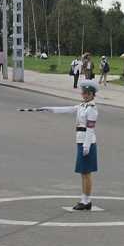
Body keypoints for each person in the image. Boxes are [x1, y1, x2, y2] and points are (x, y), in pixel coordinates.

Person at [27, 80, 100, 210]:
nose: (85, 95)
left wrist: (87, 145)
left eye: (88, 93)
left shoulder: (92, 109)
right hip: (80, 140)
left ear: (93, 94)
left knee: (86, 172)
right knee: (83, 172)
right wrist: (50, 109)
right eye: (84, 92)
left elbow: (90, 129)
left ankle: (87, 201)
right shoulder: (82, 106)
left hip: (87, 142)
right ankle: (84, 199)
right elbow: (68, 109)